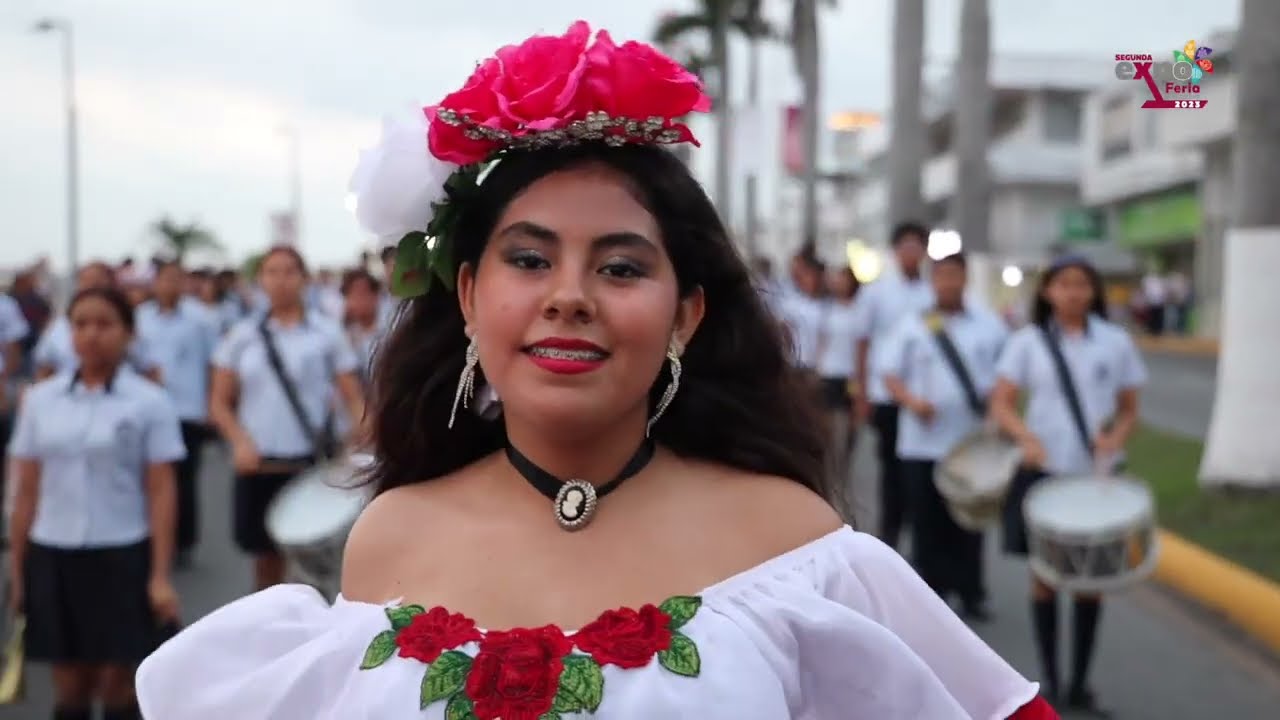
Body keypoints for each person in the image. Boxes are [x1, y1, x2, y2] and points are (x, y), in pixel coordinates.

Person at [136, 23, 1056, 720]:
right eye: (529, 260)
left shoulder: (799, 548)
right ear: (466, 295)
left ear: (685, 313)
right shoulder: (390, 538)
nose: (569, 296)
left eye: (620, 267)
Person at [8, 287, 185, 720]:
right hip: (54, 554)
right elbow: (25, 490)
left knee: (118, 684)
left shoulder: (149, 402)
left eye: (104, 324)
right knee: (70, 686)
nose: (91, 335)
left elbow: (161, 490)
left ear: (127, 333)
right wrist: (18, 572)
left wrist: (160, 575)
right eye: (81, 324)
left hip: (122, 553)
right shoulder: (40, 401)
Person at [989, 255, 1145, 714]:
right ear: (1047, 292)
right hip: (1043, 476)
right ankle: (1050, 681)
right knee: (1045, 578)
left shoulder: (1115, 343)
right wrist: (1025, 437)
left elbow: (1131, 407)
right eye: (1063, 284)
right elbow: (1001, 403)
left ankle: (1080, 684)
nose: (1073, 292)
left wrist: (1114, 437)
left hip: (1093, 479)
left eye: (1082, 284)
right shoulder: (1027, 343)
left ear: (1094, 292)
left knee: (1090, 581)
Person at [207, 245, 365, 591]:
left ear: (304, 279)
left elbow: (353, 396)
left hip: (311, 462)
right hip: (259, 463)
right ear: (260, 280)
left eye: (289, 272)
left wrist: (357, 437)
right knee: (265, 562)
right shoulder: (241, 336)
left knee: (316, 563)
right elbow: (219, 402)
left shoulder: (326, 334)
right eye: (272, 272)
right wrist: (238, 442)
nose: (281, 281)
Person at [878, 252, 1007, 621]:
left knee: (969, 521)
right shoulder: (913, 325)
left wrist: (995, 406)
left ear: (965, 279)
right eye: (942, 276)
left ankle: (971, 592)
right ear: (932, 281)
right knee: (926, 520)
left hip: (969, 444)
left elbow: (1005, 376)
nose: (949, 282)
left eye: (955, 275)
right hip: (920, 443)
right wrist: (912, 401)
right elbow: (889, 373)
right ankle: (932, 595)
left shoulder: (988, 325)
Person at [852, 222, 933, 549]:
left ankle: (922, 544)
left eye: (918, 246)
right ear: (896, 251)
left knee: (920, 474)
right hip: (886, 393)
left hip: (923, 397)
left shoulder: (931, 293)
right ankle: (889, 539)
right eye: (906, 246)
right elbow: (863, 341)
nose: (912, 253)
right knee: (892, 471)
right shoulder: (877, 292)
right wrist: (861, 390)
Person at [137, 260, 220, 566]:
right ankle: (155, 537)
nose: (169, 286)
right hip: (148, 410)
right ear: (155, 283)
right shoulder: (141, 318)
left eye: (175, 279)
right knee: (152, 478)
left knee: (184, 480)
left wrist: (212, 402)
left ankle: (184, 540)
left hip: (187, 409)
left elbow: (214, 363)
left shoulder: (200, 319)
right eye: (164, 279)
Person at [33, 262, 159, 382]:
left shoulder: (126, 324)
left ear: (111, 284)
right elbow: (45, 368)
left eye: (97, 280)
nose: (91, 285)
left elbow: (149, 370)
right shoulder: (59, 326)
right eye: (85, 281)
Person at [815, 265, 862, 516]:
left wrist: (858, 389)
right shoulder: (828, 309)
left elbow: (861, 350)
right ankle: (828, 497)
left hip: (847, 381)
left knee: (844, 443)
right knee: (827, 442)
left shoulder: (859, 312)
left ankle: (842, 499)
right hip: (827, 377)